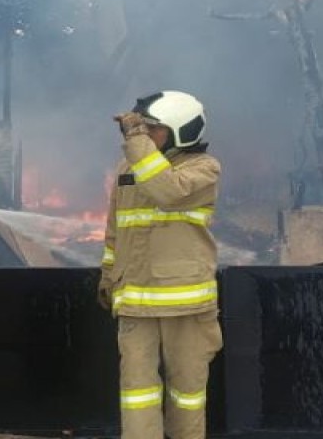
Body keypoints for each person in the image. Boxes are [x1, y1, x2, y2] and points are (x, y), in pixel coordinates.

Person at [98, 90, 223, 439]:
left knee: (187, 392)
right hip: (135, 300)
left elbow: (167, 191)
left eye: (153, 129)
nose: (145, 135)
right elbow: (115, 229)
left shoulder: (203, 168)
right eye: (143, 129)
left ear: (181, 130)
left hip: (183, 302)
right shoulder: (130, 167)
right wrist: (109, 276)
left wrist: (136, 141)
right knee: (137, 394)